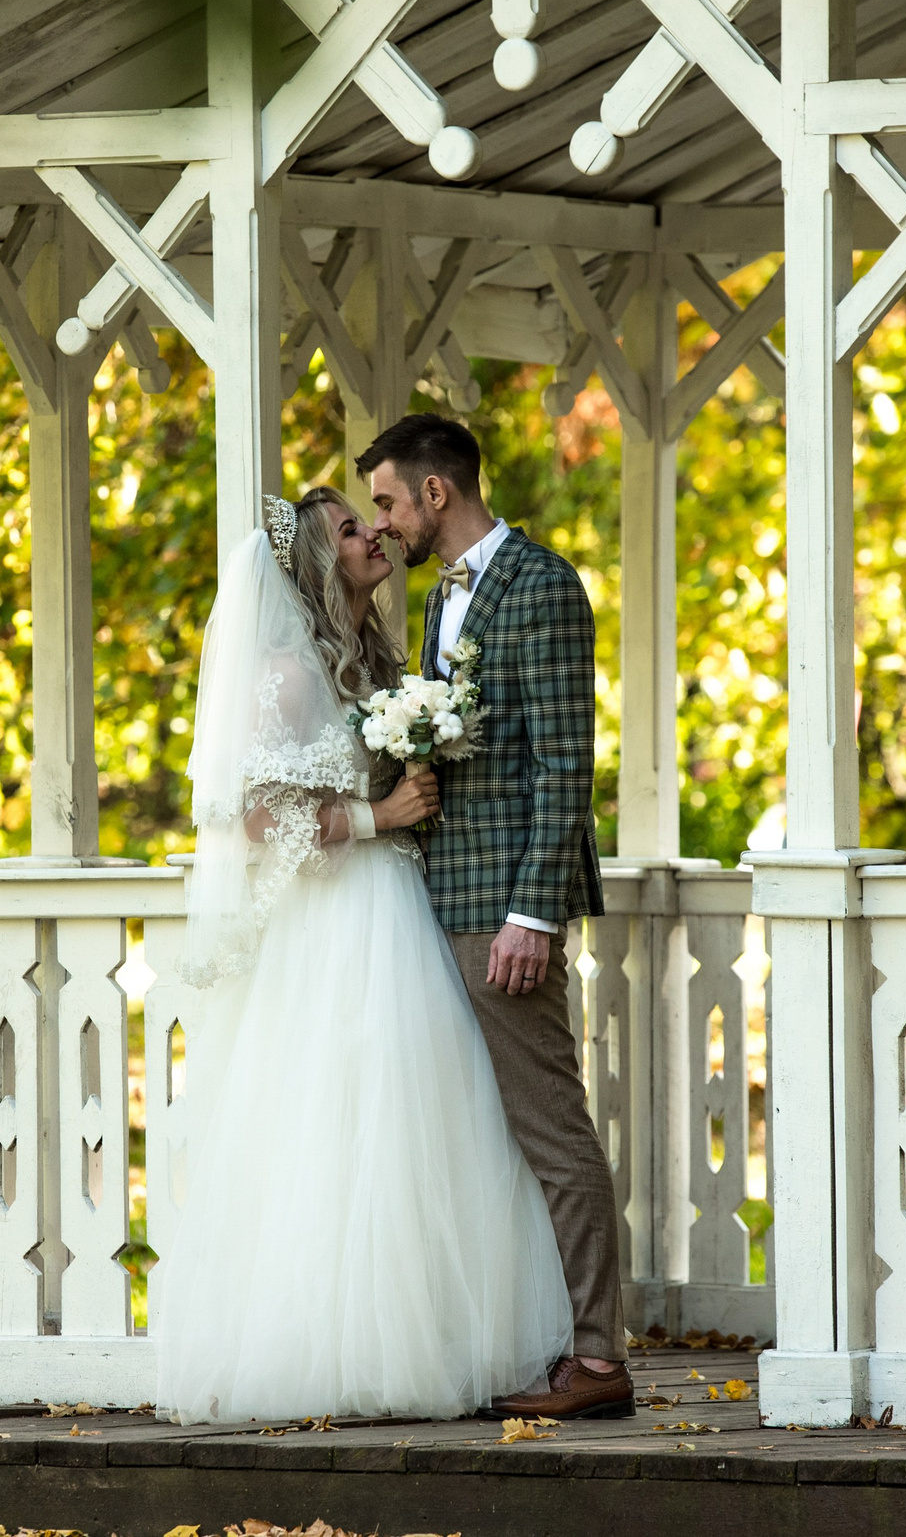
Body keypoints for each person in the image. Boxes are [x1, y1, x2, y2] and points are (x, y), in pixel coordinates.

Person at [157, 486, 570, 1424]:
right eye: (351, 528)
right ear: (315, 561)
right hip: (336, 925)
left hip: (397, 908)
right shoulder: (288, 674)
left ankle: (428, 1334)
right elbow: (255, 819)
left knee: (421, 1121)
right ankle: (335, 1349)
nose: (374, 532)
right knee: (343, 1128)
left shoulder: (377, 656)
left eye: (370, 516)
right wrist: (378, 814)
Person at [356, 414, 628, 1423]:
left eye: (387, 500)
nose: (383, 524)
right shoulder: (440, 597)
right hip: (436, 895)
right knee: (479, 1131)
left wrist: (533, 912)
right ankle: (518, 1337)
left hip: (501, 911)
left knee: (549, 1125)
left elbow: (565, 766)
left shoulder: (543, 586)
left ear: (436, 492)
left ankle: (599, 1353)